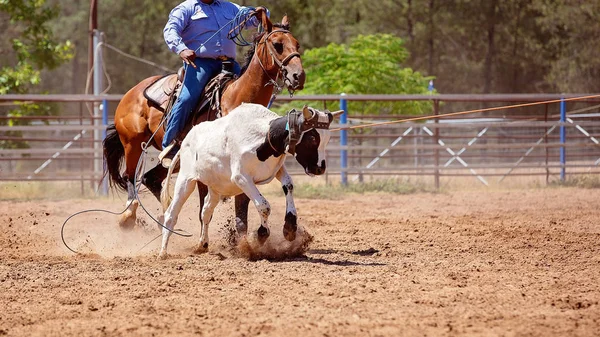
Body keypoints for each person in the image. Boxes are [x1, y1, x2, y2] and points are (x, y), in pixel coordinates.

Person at [159, 0, 269, 168]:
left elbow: (251, 20)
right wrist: (181, 49)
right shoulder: (187, 8)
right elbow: (170, 30)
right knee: (188, 98)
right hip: (200, 63)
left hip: (229, 64)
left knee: (254, 91)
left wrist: (261, 14)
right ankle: (169, 145)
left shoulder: (230, 7)